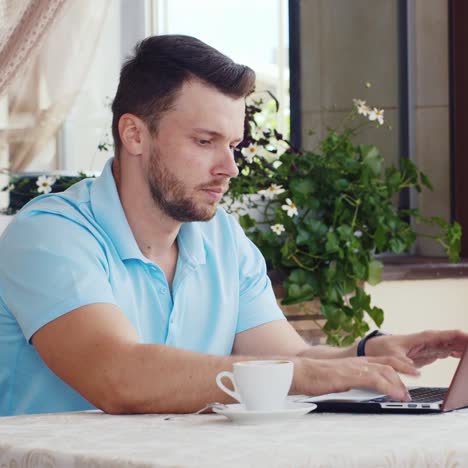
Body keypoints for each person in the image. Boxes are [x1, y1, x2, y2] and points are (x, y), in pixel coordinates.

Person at [0, 35, 466, 416]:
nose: (230, 167)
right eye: (206, 141)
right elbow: (118, 375)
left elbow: (292, 358)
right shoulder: (50, 235)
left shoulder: (222, 238)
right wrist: (303, 376)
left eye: (234, 146)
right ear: (134, 134)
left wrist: (369, 356)